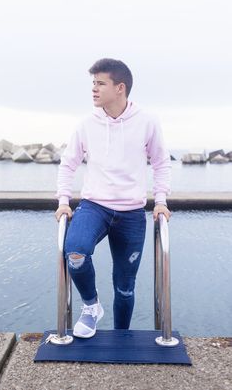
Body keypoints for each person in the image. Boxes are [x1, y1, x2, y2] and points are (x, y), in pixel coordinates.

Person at [55, 58, 171, 338]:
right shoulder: (86, 124)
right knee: (76, 251)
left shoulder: (147, 121)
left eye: (100, 83)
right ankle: (91, 306)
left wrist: (161, 201)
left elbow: (161, 162)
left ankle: (121, 336)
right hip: (94, 206)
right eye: (92, 83)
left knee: (125, 286)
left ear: (120, 88)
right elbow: (68, 163)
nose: (93, 89)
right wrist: (63, 200)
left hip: (131, 213)